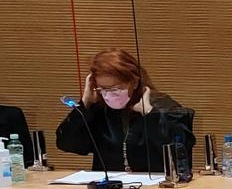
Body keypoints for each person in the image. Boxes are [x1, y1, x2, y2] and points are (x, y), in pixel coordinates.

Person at [56, 48, 194, 173]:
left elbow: (179, 154)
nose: (109, 94)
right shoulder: (99, 110)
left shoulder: (165, 107)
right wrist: (84, 104)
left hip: (155, 187)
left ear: (134, 82)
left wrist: (150, 115)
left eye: (115, 88)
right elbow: (68, 144)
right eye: (103, 89)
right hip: (111, 188)